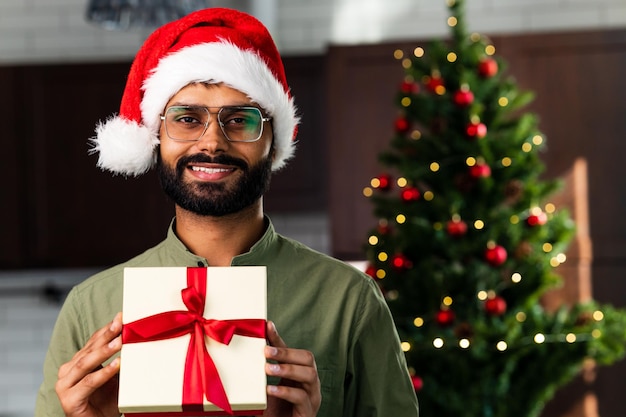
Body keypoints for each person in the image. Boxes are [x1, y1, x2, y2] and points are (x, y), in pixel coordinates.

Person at [34, 7, 419, 417]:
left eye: (240, 119)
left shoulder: (349, 300)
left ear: (273, 141)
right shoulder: (88, 308)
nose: (212, 142)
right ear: (155, 137)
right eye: (186, 118)